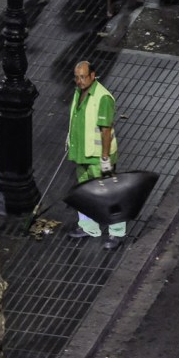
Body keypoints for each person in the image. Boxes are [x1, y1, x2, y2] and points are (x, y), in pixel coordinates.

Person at [66, 61, 126, 250]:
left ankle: (117, 232)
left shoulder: (103, 98)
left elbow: (105, 130)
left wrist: (105, 158)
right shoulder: (78, 93)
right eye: (77, 77)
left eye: (83, 77)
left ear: (93, 76)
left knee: (109, 193)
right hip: (82, 154)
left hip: (98, 156)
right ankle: (88, 226)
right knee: (84, 191)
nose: (79, 81)